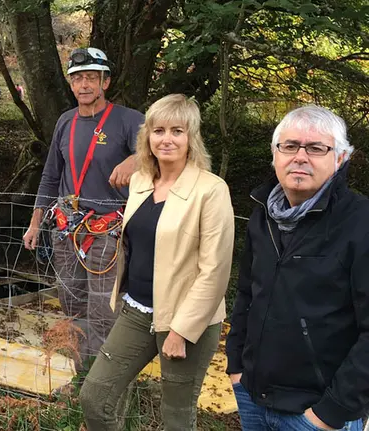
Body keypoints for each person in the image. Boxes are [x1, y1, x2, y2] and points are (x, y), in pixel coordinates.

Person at [79, 94, 235, 430]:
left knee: (176, 417)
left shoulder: (210, 190)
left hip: (186, 320)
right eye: (158, 130)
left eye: (177, 131)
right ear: (147, 136)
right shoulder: (140, 182)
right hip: (138, 311)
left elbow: (215, 271)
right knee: (95, 395)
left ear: (191, 137)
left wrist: (181, 331)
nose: (167, 139)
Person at [226, 106, 368, 431]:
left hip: (317, 413)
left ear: (341, 158)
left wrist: (330, 413)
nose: (300, 156)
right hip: (253, 397)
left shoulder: (360, 223)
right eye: (289, 146)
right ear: (275, 155)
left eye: (316, 148)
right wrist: (236, 365)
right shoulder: (264, 214)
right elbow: (247, 293)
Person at [22, 47, 144, 367]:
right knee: (71, 303)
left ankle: (102, 385)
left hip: (108, 232)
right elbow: (50, 175)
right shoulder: (66, 122)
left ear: (106, 82)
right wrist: (35, 223)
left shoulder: (129, 120)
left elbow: (160, 153)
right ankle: (81, 374)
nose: (84, 85)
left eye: (91, 77)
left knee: (103, 310)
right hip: (66, 231)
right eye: (77, 78)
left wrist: (135, 158)